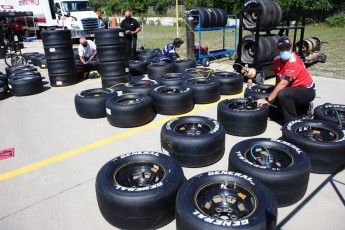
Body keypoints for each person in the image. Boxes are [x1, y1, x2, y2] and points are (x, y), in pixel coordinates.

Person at [257, 35, 316, 123]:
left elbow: (283, 84)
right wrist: (274, 100)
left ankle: (292, 124)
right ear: (278, 49)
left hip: (307, 91)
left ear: (291, 48)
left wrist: (267, 100)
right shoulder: (276, 60)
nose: (285, 50)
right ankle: (303, 109)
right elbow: (278, 79)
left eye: (287, 48)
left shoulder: (294, 62)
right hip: (293, 90)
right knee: (273, 113)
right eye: (282, 48)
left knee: (283, 94)